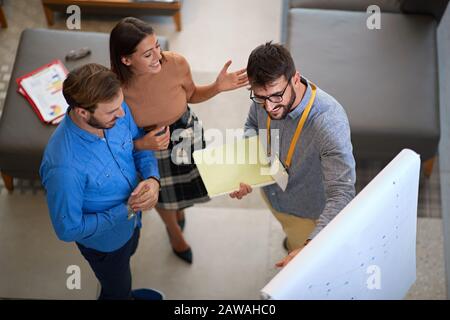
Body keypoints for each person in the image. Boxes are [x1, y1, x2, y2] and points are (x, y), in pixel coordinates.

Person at [109, 17, 248, 263]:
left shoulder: (175, 63)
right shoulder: (114, 89)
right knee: (161, 196)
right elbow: (109, 140)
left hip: (186, 131)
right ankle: (173, 232)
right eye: (148, 54)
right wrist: (142, 145)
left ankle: (179, 211)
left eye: (157, 48)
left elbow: (192, 94)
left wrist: (217, 87)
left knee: (187, 186)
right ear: (126, 60)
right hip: (149, 146)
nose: (158, 58)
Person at [40, 63, 163, 300]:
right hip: (105, 244)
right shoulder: (64, 167)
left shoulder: (114, 109)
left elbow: (139, 143)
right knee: (116, 289)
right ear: (82, 112)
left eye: (120, 105)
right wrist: (127, 208)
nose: (123, 114)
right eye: (112, 111)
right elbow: (68, 229)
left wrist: (152, 177)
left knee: (130, 252)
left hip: (132, 221)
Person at [230, 42, 356, 267]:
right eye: (260, 98)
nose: (269, 107)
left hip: (307, 214)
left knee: (302, 257)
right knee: (289, 235)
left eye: (276, 96)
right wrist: (249, 164)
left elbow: (343, 192)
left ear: (295, 79)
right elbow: (252, 124)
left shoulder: (328, 123)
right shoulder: (267, 94)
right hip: (272, 193)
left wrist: (310, 245)